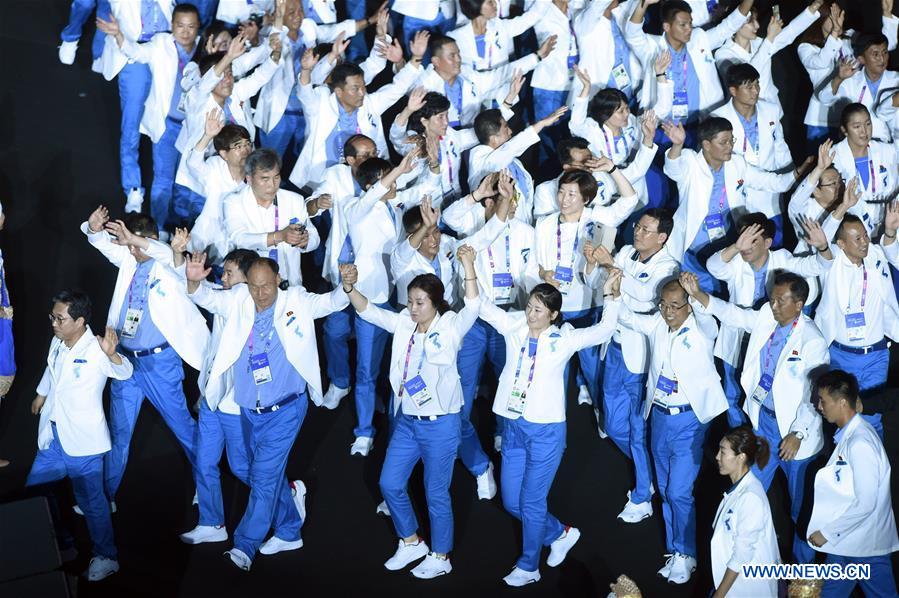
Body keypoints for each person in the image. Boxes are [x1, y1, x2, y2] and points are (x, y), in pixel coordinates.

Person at [190, 257, 353, 571]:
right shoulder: (239, 300)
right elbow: (205, 298)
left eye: (266, 285)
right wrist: (194, 281)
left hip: (287, 409)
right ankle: (290, 529)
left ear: (278, 279)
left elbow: (332, 302)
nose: (260, 293)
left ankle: (245, 546)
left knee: (263, 478)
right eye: (254, 286)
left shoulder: (297, 301)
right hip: (249, 410)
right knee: (260, 473)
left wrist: (347, 286)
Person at [343, 247, 481, 580]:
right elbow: (370, 312)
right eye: (410, 301)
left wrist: (467, 265)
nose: (413, 307)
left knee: (436, 492)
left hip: (440, 425)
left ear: (435, 303)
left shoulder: (449, 326)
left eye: (420, 302)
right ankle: (411, 541)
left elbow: (474, 305)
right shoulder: (404, 321)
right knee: (389, 483)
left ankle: (441, 555)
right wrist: (349, 289)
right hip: (407, 422)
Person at [478, 271, 623, 587]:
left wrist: (611, 295)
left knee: (531, 502)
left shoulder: (564, 338)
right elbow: (481, 306)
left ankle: (529, 565)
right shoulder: (515, 326)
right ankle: (559, 533)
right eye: (529, 306)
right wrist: (469, 267)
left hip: (546, 433)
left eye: (539, 310)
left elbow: (605, 329)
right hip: (513, 426)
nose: (531, 314)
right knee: (511, 501)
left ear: (554, 315)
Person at [685, 270, 830, 564]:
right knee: (747, 490)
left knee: (800, 508)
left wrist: (798, 433)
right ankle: (743, 560)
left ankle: (804, 578)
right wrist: (699, 295)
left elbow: (815, 396)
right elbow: (735, 315)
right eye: (773, 299)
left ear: (799, 304)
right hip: (764, 425)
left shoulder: (813, 341)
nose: (773, 305)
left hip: (795, 438)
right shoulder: (768, 315)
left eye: (781, 301)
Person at [82, 207, 210, 507]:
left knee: (183, 428)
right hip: (125, 361)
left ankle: (206, 489)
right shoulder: (129, 259)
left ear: (151, 240)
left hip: (160, 365)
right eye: (129, 245)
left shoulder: (171, 267)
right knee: (119, 434)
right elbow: (100, 242)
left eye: (137, 245)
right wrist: (93, 228)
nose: (132, 251)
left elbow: (167, 255)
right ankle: (106, 497)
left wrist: (143, 243)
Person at [178, 248, 302, 546]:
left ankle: (288, 502)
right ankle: (212, 522)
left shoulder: (254, 304)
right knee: (204, 462)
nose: (223, 278)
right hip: (212, 398)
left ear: (248, 280)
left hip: (237, 406)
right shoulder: (229, 298)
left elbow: (209, 298)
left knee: (242, 468)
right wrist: (191, 278)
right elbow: (202, 292)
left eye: (229, 273)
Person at [616, 274, 727, 584]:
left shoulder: (702, 329)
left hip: (689, 421)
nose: (668, 312)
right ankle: (675, 550)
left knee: (679, 491)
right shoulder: (657, 324)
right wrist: (612, 294)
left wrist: (698, 294)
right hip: (660, 417)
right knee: (665, 490)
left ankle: (687, 553)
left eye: (675, 306)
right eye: (663, 305)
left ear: (688, 306)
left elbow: (710, 321)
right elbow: (627, 318)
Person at [26, 291, 133, 581]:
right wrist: (41, 394)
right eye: (53, 317)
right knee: (36, 493)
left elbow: (124, 373)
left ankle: (107, 557)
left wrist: (112, 355)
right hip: (54, 438)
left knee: (92, 502)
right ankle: (56, 545)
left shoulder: (97, 349)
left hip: (85, 444)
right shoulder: (58, 342)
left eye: (60, 319)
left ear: (80, 321)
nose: (54, 323)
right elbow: (52, 370)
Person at [585, 209, 679, 523]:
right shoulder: (626, 253)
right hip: (613, 349)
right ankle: (649, 470)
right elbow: (597, 284)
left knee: (638, 431)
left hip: (640, 360)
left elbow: (645, 300)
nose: (638, 233)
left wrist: (612, 273)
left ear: (662, 237)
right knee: (612, 425)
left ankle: (642, 495)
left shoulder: (669, 267)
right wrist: (595, 264)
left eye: (646, 229)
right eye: (637, 226)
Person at [707, 213, 831, 427]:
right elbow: (713, 266)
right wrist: (736, 247)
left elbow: (817, 266)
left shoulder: (782, 259)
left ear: (767, 243)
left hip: (768, 341)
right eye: (742, 238)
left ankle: (761, 433)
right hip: (738, 339)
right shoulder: (736, 261)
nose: (745, 245)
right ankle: (740, 442)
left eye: (752, 240)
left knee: (762, 390)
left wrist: (822, 248)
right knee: (733, 395)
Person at [661, 117, 804, 294]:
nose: (730, 146)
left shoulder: (737, 163)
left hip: (728, 247)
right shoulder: (691, 161)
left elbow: (771, 182)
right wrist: (677, 145)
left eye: (731, 140)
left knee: (728, 296)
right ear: (706, 144)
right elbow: (673, 169)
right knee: (698, 298)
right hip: (694, 249)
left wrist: (799, 172)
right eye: (723, 142)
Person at [96, 4, 203, 233]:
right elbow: (137, 52)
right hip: (166, 123)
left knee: (186, 178)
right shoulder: (162, 45)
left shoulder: (204, 48)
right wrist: (118, 35)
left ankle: (184, 226)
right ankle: (158, 227)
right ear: (172, 27)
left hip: (194, 127)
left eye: (190, 27)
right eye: (180, 26)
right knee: (162, 176)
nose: (185, 31)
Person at [809, 370, 899, 597]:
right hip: (851, 542)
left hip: (865, 546)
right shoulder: (851, 436)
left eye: (823, 401)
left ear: (841, 403)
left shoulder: (860, 443)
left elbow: (866, 503)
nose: (819, 406)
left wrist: (827, 533)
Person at [92, 0, 173, 212]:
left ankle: (164, 188)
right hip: (133, 57)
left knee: (167, 120)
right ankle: (133, 187)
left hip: (167, 56)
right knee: (131, 125)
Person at [626, 0, 755, 126]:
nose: (689, 29)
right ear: (667, 26)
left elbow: (728, 26)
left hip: (698, 125)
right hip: (661, 127)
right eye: (683, 25)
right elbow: (633, 34)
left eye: (690, 23)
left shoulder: (698, 39)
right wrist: (643, 4)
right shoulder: (652, 48)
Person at [712, 64, 794, 246]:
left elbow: (780, 146)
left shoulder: (771, 110)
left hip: (770, 195)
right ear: (733, 90)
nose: (755, 91)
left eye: (757, 84)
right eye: (748, 86)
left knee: (773, 245)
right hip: (740, 197)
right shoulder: (717, 117)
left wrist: (790, 175)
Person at [798, 2, 898, 148]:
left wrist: (887, 15)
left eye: (838, 14)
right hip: (822, 119)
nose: (837, 19)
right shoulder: (806, 47)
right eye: (831, 16)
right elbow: (821, 61)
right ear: (818, 19)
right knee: (821, 166)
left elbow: (878, 46)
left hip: (853, 120)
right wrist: (835, 35)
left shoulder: (850, 37)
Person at [223, 149, 320, 287]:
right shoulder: (234, 202)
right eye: (265, 179)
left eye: (276, 177)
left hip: (291, 284)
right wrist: (279, 236)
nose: (272, 185)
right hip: (253, 286)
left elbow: (314, 237)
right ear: (249, 178)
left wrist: (305, 241)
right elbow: (239, 239)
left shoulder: (295, 200)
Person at [711, 426, 779, 598]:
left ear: (741, 457)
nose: (717, 457)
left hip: (747, 589)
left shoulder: (750, 498)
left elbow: (742, 555)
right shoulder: (738, 489)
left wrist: (719, 594)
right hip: (733, 583)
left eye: (723, 452)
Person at [713, 2, 821, 108]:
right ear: (736, 24)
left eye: (756, 20)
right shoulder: (723, 54)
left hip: (771, 108)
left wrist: (812, 9)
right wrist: (769, 40)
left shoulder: (760, 43)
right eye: (751, 22)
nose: (757, 25)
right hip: (745, 112)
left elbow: (789, 33)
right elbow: (744, 77)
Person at [185, 115, 253, 263]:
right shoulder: (215, 167)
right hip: (206, 233)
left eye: (248, 144)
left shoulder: (256, 173)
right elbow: (193, 164)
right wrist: (207, 136)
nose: (246, 150)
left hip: (238, 238)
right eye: (238, 146)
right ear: (224, 154)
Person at [828, 103, 898, 234]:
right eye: (857, 126)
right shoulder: (833, 156)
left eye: (868, 124)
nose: (864, 131)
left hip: (889, 220)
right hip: (852, 225)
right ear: (844, 129)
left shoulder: (887, 151)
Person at [818, 32, 899, 143]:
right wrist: (839, 78)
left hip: (888, 147)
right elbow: (825, 99)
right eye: (875, 54)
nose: (882, 59)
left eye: (885, 52)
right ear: (861, 59)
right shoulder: (852, 80)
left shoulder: (896, 79)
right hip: (856, 146)